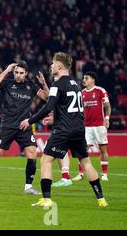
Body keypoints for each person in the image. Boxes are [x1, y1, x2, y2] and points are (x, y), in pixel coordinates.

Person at [19, 52, 108, 207]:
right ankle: (101, 199)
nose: (51, 66)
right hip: (79, 130)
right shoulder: (76, 84)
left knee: (46, 160)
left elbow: (48, 106)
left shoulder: (57, 84)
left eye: (53, 63)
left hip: (63, 131)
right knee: (86, 162)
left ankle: (46, 200)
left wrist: (30, 120)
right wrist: (55, 118)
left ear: (59, 66)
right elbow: (71, 108)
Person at [0, 61, 49, 195]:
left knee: (32, 153)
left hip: (24, 125)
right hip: (8, 125)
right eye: (16, 72)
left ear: (26, 73)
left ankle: (28, 187)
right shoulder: (8, 83)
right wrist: (7, 70)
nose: (18, 75)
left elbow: (47, 97)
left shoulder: (31, 85)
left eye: (21, 73)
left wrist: (44, 84)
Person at [52, 71, 111, 186]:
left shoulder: (100, 91)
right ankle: (80, 174)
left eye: (86, 78)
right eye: (84, 78)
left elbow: (107, 106)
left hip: (99, 125)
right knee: (82, 150)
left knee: (103, 149)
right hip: (86, 126)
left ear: (93, 80)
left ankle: (104, 174)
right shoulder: (81, 92)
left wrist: (107, 118)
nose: (84, 80)